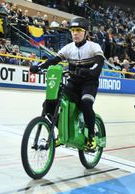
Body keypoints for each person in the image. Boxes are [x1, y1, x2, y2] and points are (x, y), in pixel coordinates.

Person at [30, 17, 105, 151]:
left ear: (86, 33)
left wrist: (86, 72)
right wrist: (39, 66)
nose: (75, 33)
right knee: (49, 104)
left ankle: (92, 136)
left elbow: (97, 67)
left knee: (86, 103)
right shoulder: (68, 48)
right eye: (72, 31)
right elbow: (53, 60)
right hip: (73, 82)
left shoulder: (94, 47)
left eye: (78, 30)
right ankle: (62, 133)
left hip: (89, 83)